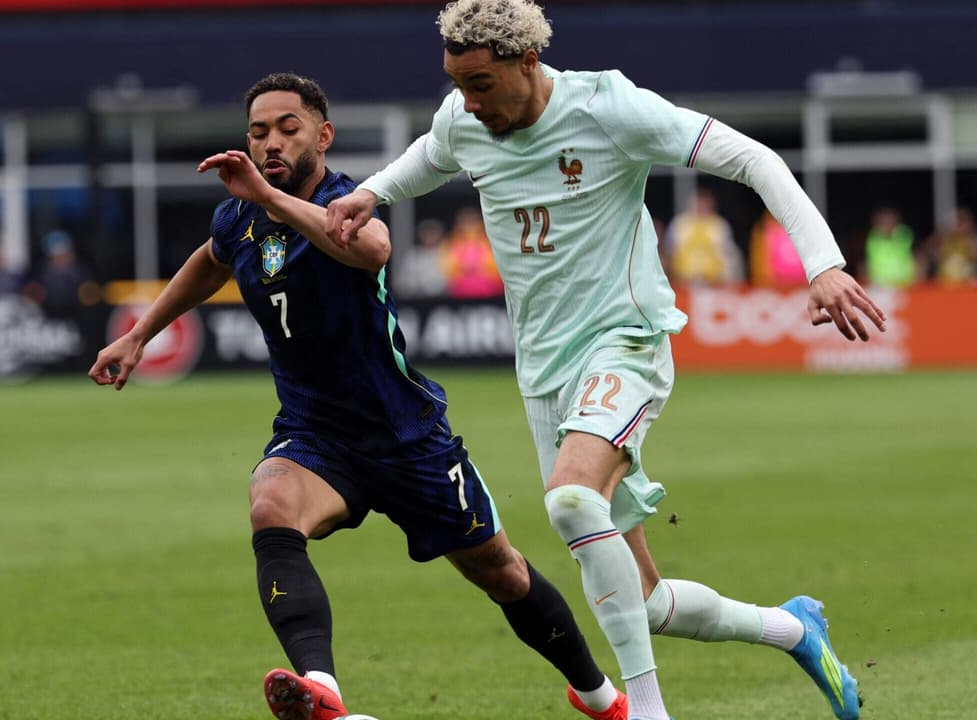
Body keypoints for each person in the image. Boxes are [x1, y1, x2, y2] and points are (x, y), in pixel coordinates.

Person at [319, 3, 888, 719]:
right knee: (644, 603)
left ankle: (647, 710)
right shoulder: (465, 118)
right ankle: (795, 628)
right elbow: (431, 156)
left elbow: (754, 159)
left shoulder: (607, 107)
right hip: (544, 375)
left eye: (482, 84)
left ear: (528, 62)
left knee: (570, 499)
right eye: (458, 85)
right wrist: (370, 193)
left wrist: (823, 264)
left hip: (625, 341)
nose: (470, 102)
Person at [90, 73, 625, 720]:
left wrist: (268, 196)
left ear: (323, 136)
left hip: (406, 436)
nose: (270, 142)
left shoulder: (345, 199)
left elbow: (372, 249)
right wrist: (139, 334)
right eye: (258, 132)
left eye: (288, 128)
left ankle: (601, 699)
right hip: (316, 434)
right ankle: (323, 692)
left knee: (502, 572)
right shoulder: (239, 218)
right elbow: (212, 259)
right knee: (270, 505)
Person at [664, 188, 743, 285]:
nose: (700, 207)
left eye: (704, 204)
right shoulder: (679, 224)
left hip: (715, 282)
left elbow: (730, 256)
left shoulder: (719, 225)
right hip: (683, 282)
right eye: (698, 204)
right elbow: (669, 253)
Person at [863, 207, 918, 288]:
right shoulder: (873, 238)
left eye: (889, 220)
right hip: (879, 285)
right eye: (882, 221)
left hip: (904, 285)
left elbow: (917, 259)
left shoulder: (905, 235)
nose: (886, 223)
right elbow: (868, 263)